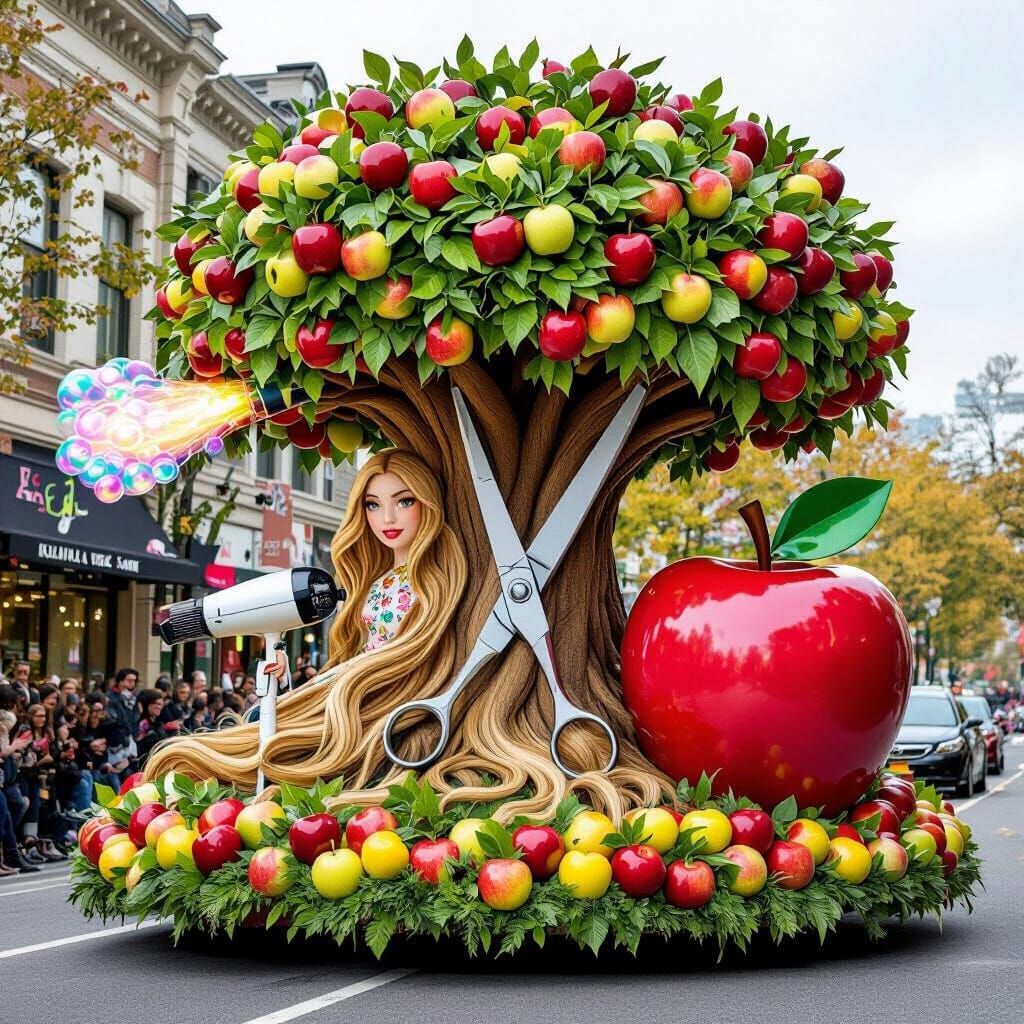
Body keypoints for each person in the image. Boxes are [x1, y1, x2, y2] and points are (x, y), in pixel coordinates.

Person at [144, 448, 467, 794]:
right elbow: (361, 656)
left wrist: (340, 686)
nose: (387, 517)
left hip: (382, 704)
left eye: (404, 501)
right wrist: (289, 681)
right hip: (360, 696)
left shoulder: (435, 581)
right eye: (373, 505)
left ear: (428, 504)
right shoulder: (376, 580)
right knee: (259, 726)